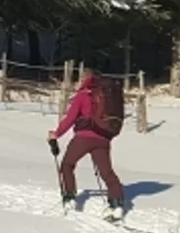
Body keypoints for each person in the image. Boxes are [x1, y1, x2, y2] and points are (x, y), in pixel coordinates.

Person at [49, 67, 125, 218]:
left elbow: (70, 119)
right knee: (107, 173)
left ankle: (70, 197)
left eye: (80, 79)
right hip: (103, 139)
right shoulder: (106, 95)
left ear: (85, 79)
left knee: (67, 165)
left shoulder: (83, 95)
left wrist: (56, 134)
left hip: (84, 138)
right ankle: (116, 204)